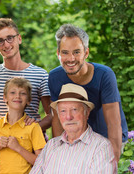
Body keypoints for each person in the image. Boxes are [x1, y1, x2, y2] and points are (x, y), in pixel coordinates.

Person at [48, 23, 128, 163]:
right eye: (65, 52)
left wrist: (111, 166)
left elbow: (114, 124)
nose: (71, 58)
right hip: (77, 138)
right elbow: (57, 120)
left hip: (107, 136)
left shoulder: (104, 75)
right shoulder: (55, 77)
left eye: (76, 52)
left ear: (86, 53)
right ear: (58, 54)